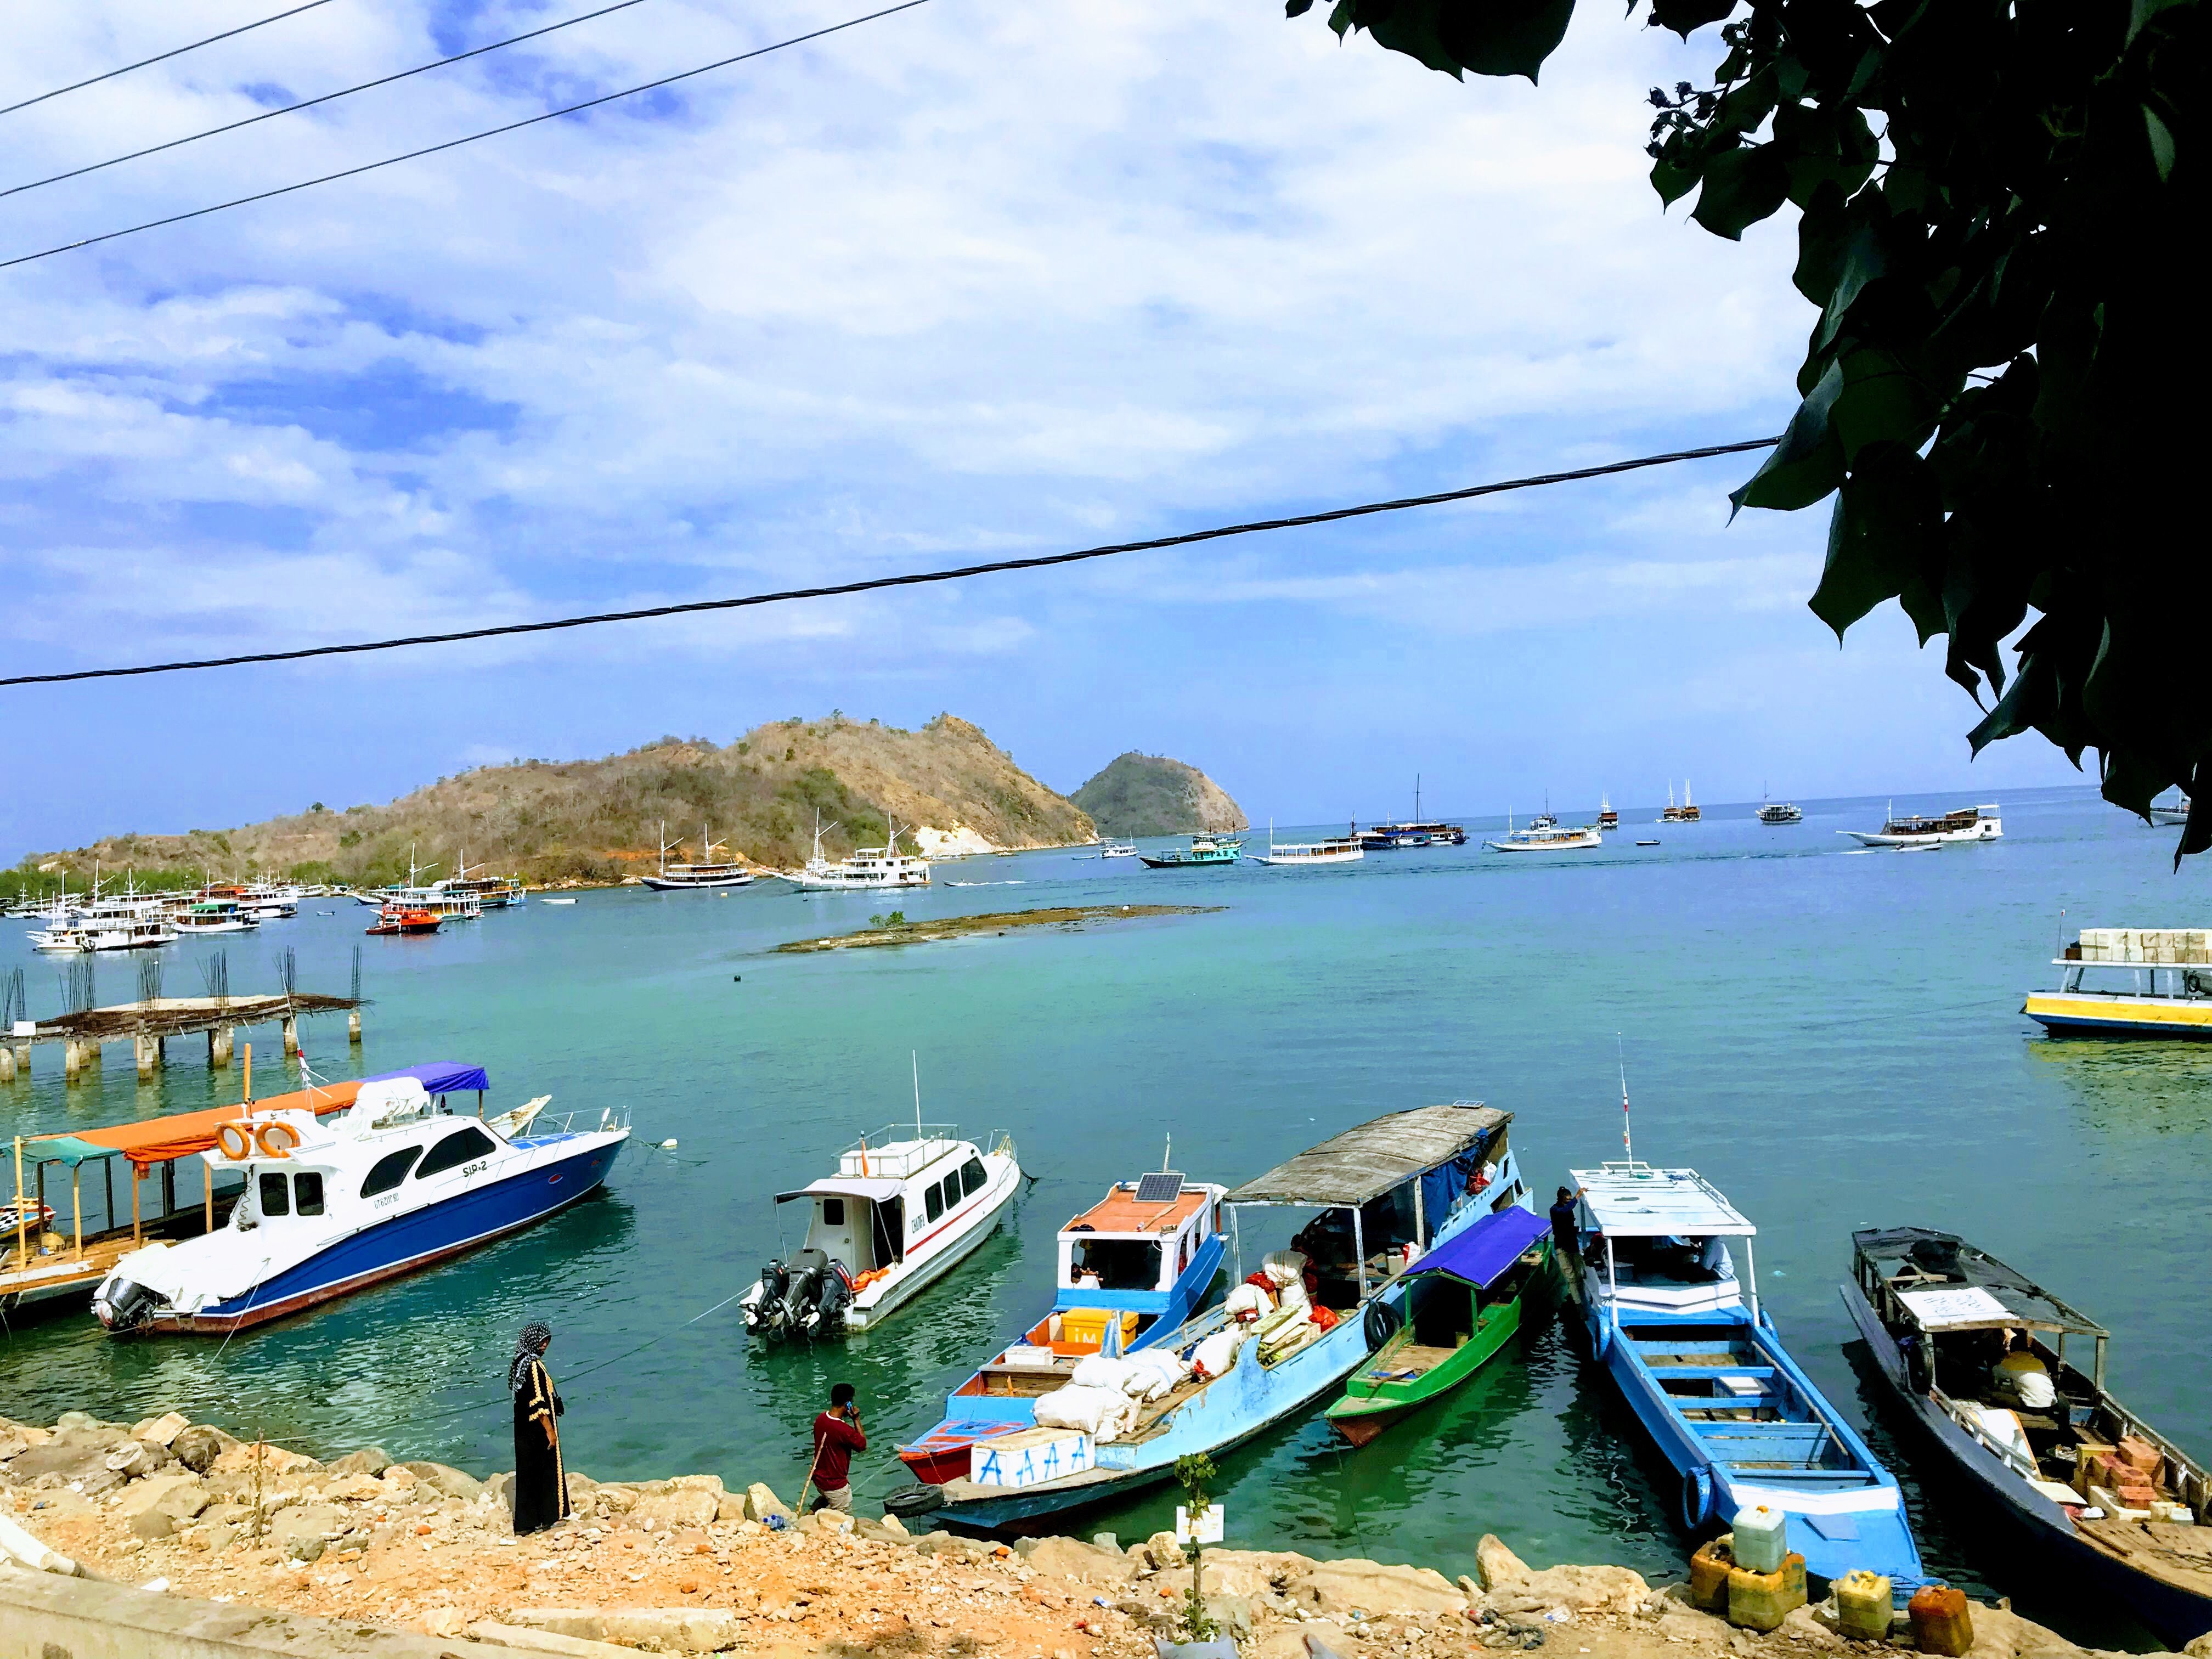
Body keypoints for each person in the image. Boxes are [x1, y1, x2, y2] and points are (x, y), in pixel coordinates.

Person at [509, 1321, 568, 1535]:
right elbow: (538, 1401)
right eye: (542, 1341)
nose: (545, 1345)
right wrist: (550, 1431)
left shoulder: (520, 1362)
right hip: (537, 1431)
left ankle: (527, 1523)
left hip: (524, 1430)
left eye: (547, 1341)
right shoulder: (532, 1366)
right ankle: (547, 1517)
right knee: (544, 1470)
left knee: (528, 1472)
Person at [809, 1383, 866, 1513]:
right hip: (835, 1486)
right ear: (848, 1404)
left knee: (825, 1497)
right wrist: (856, 1419)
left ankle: (810, 1515)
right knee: (843, 1518)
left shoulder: (821, 1419)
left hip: (819, 1480)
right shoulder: (843, 1430)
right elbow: (862, 1445)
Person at [1548, 1186, 1583, 1260]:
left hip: (1572, 1242)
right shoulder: (1555, 1210)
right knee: (1566, 1269)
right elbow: (1564, 1211)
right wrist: (1577, 1197)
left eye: (1570, 1201)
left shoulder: (1568, 1208)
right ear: (1561, 1200)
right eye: (1567, 1201)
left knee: (1578, 1266)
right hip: (1561, 1244)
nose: (1569, 1203)